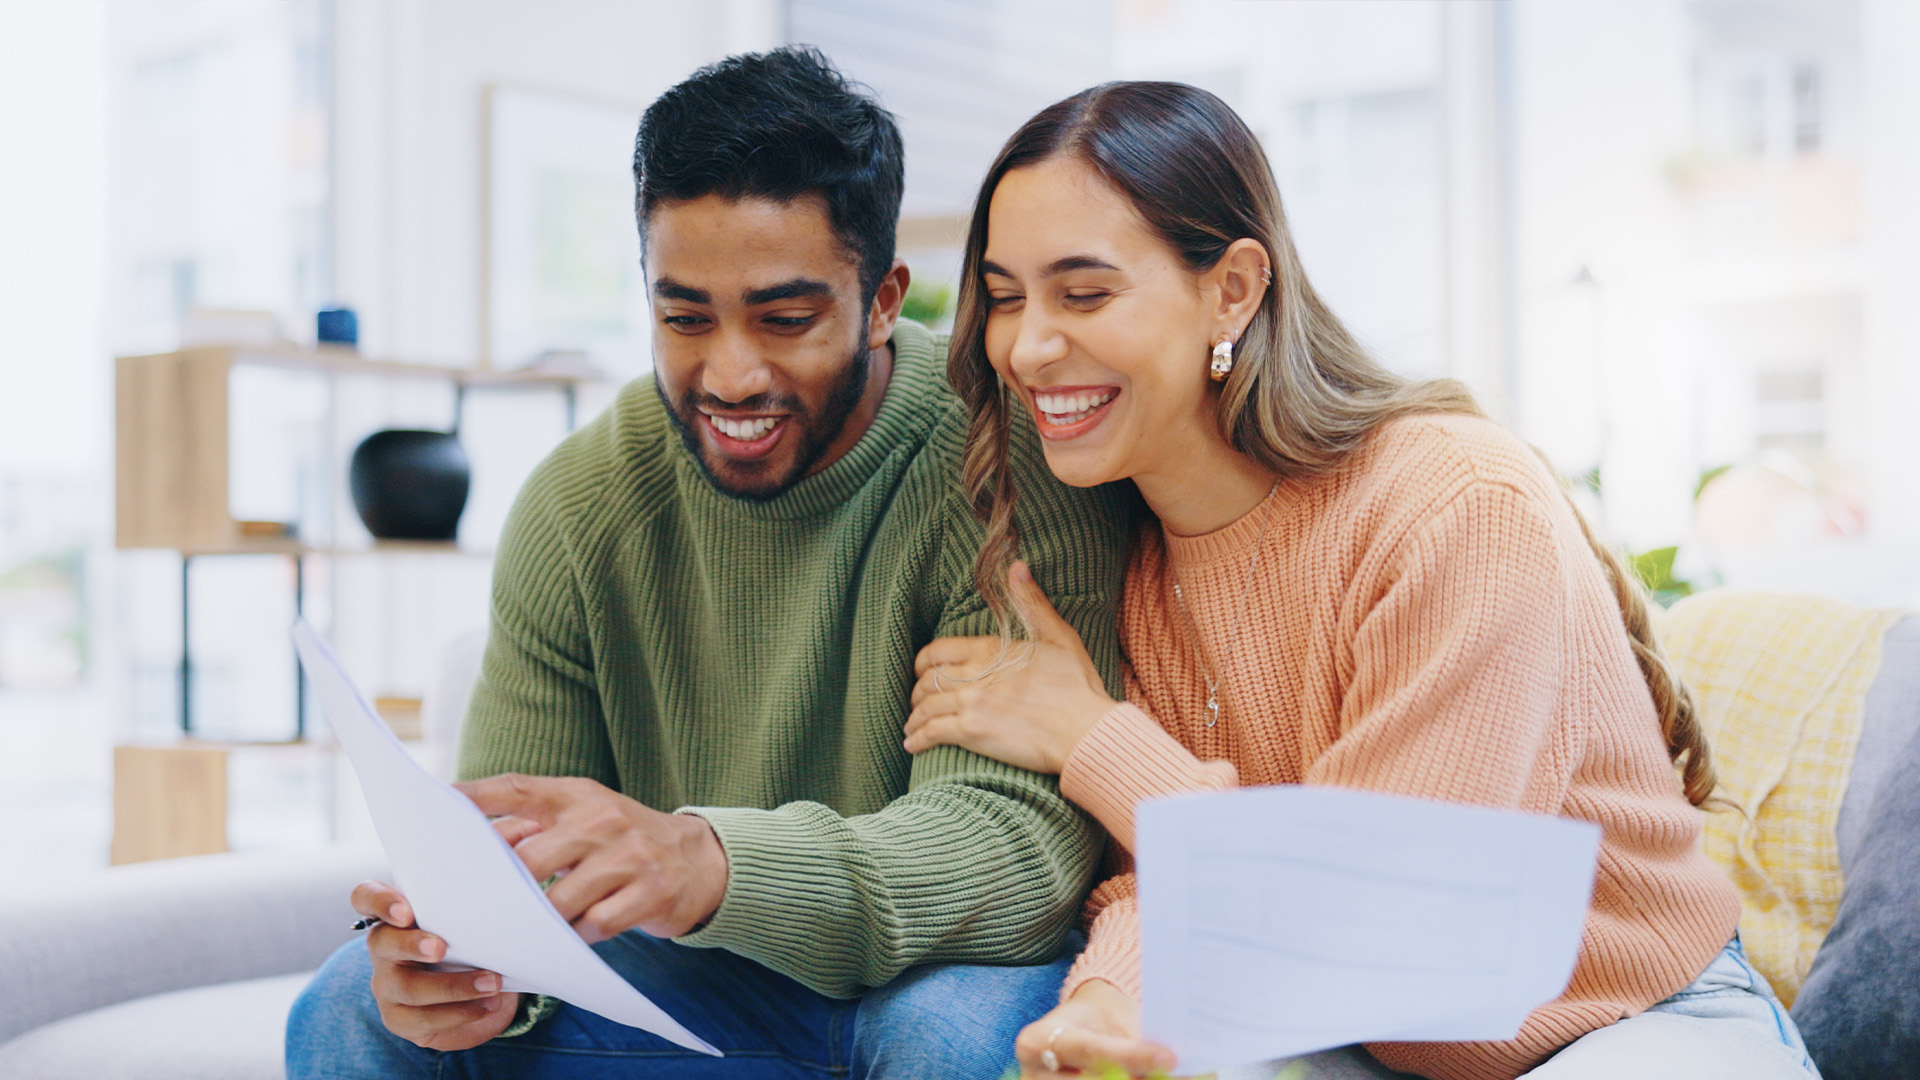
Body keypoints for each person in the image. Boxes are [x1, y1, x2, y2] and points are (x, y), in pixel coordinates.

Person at [902, 81, 1823, 1080]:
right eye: (1003, 296)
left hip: (1629, 1026)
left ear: (1235, 289)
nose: (1027, 346)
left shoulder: (1452, 503)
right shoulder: (1135, 560)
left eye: (1084, 294)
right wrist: (1107, 1006)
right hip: (1351, 1035)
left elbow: (1389, 928)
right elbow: (1171, 882)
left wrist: (1092, 738)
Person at [285, 48, 1133, 1080]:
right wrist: (469, 971)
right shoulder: (580, 504)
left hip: (929, 981)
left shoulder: (999, 466)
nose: (731, 373)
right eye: (685, 317)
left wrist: (713, 863)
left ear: (881, 299)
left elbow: (1012, 862)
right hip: (697, 986)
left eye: (785, 319)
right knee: (345, 1009)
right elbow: (513, 872)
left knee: (954, 1041)